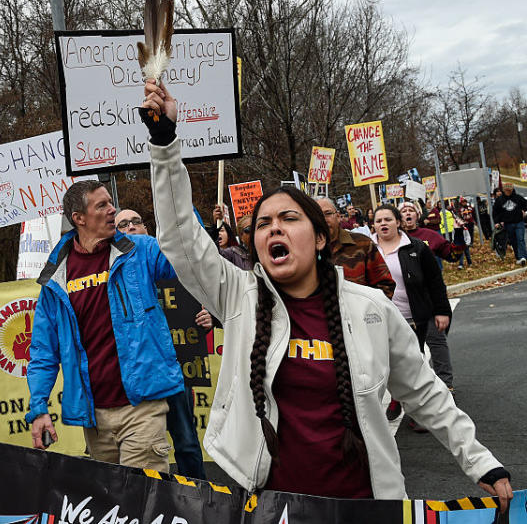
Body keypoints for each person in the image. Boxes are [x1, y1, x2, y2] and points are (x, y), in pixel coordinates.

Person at [140, 80, 513, 507]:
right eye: (263, 224)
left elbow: (425, 393)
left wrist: (480, 461)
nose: (274, 228)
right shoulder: (237, 297)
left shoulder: (371, 309)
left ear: (320, 238)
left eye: (288, 218)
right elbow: (180, 237)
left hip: (367, 505)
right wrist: (165, 142)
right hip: (271, 508)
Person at [26, 180, 183, 473]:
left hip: (142, 408)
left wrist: (179, 205)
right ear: (79, 218)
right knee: (115, 507)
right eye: (102, 205)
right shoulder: (55, 277)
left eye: (111, 203)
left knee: (143, 501)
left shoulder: (142, 251)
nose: (113, 210)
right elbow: (43, 352)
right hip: (94, 419)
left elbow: (186, 258)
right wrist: (38, 408)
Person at [114, 208, 205, 479]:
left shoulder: (166, 260)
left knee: (186, 442)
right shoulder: (114, 274)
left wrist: (210, 314)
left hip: (175, 370)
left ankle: (198, 495)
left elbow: (195, 257)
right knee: (145, 449)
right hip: (140, 375)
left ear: (147, 229)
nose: (130, 227)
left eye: (136, 221)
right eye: (123, 224)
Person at [398, 200, 457, 391]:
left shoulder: (429, 236)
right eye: (403, 211)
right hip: (403, 306)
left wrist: (461, 236)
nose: (407, 214)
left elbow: (452, 255)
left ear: (417, 215)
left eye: (411, 210)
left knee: (437, 342)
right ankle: (421, 388)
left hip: (429, 300)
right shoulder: (391, 240)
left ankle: (446, 384)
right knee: (412, 351)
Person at [316, 198, 395, 299]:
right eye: (317, 215)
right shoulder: (305, 249)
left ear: (338, 216)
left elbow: (385, 285)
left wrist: (368, 311)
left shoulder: (363, 244)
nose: (323, 219)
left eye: (328, 213)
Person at [492, 183, 527, 264]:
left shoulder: (518, 198)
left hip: (519, 222)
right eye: (507, 190)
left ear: (512, 190)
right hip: (508, 224)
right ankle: (518, 257)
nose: (508, 192)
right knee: (513, 241)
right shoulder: (500, 200)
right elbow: (495, 212)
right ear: (504, 190)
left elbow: (526, 204)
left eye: (510, 190)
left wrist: (523, 210)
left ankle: (523, 257)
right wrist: (497, 222)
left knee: (520, 239)